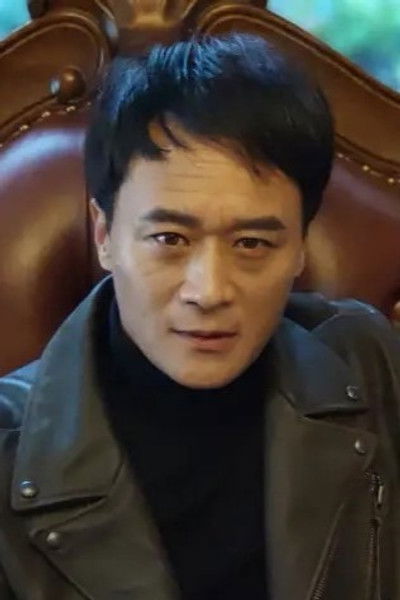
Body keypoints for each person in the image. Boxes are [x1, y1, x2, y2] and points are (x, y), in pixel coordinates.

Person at [0, 32, 399, 600]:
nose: (209, 291)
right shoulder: (10, 448)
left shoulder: (366, 362)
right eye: (169, 238)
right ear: (105, 235)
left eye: (253, 244)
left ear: (300, 247)